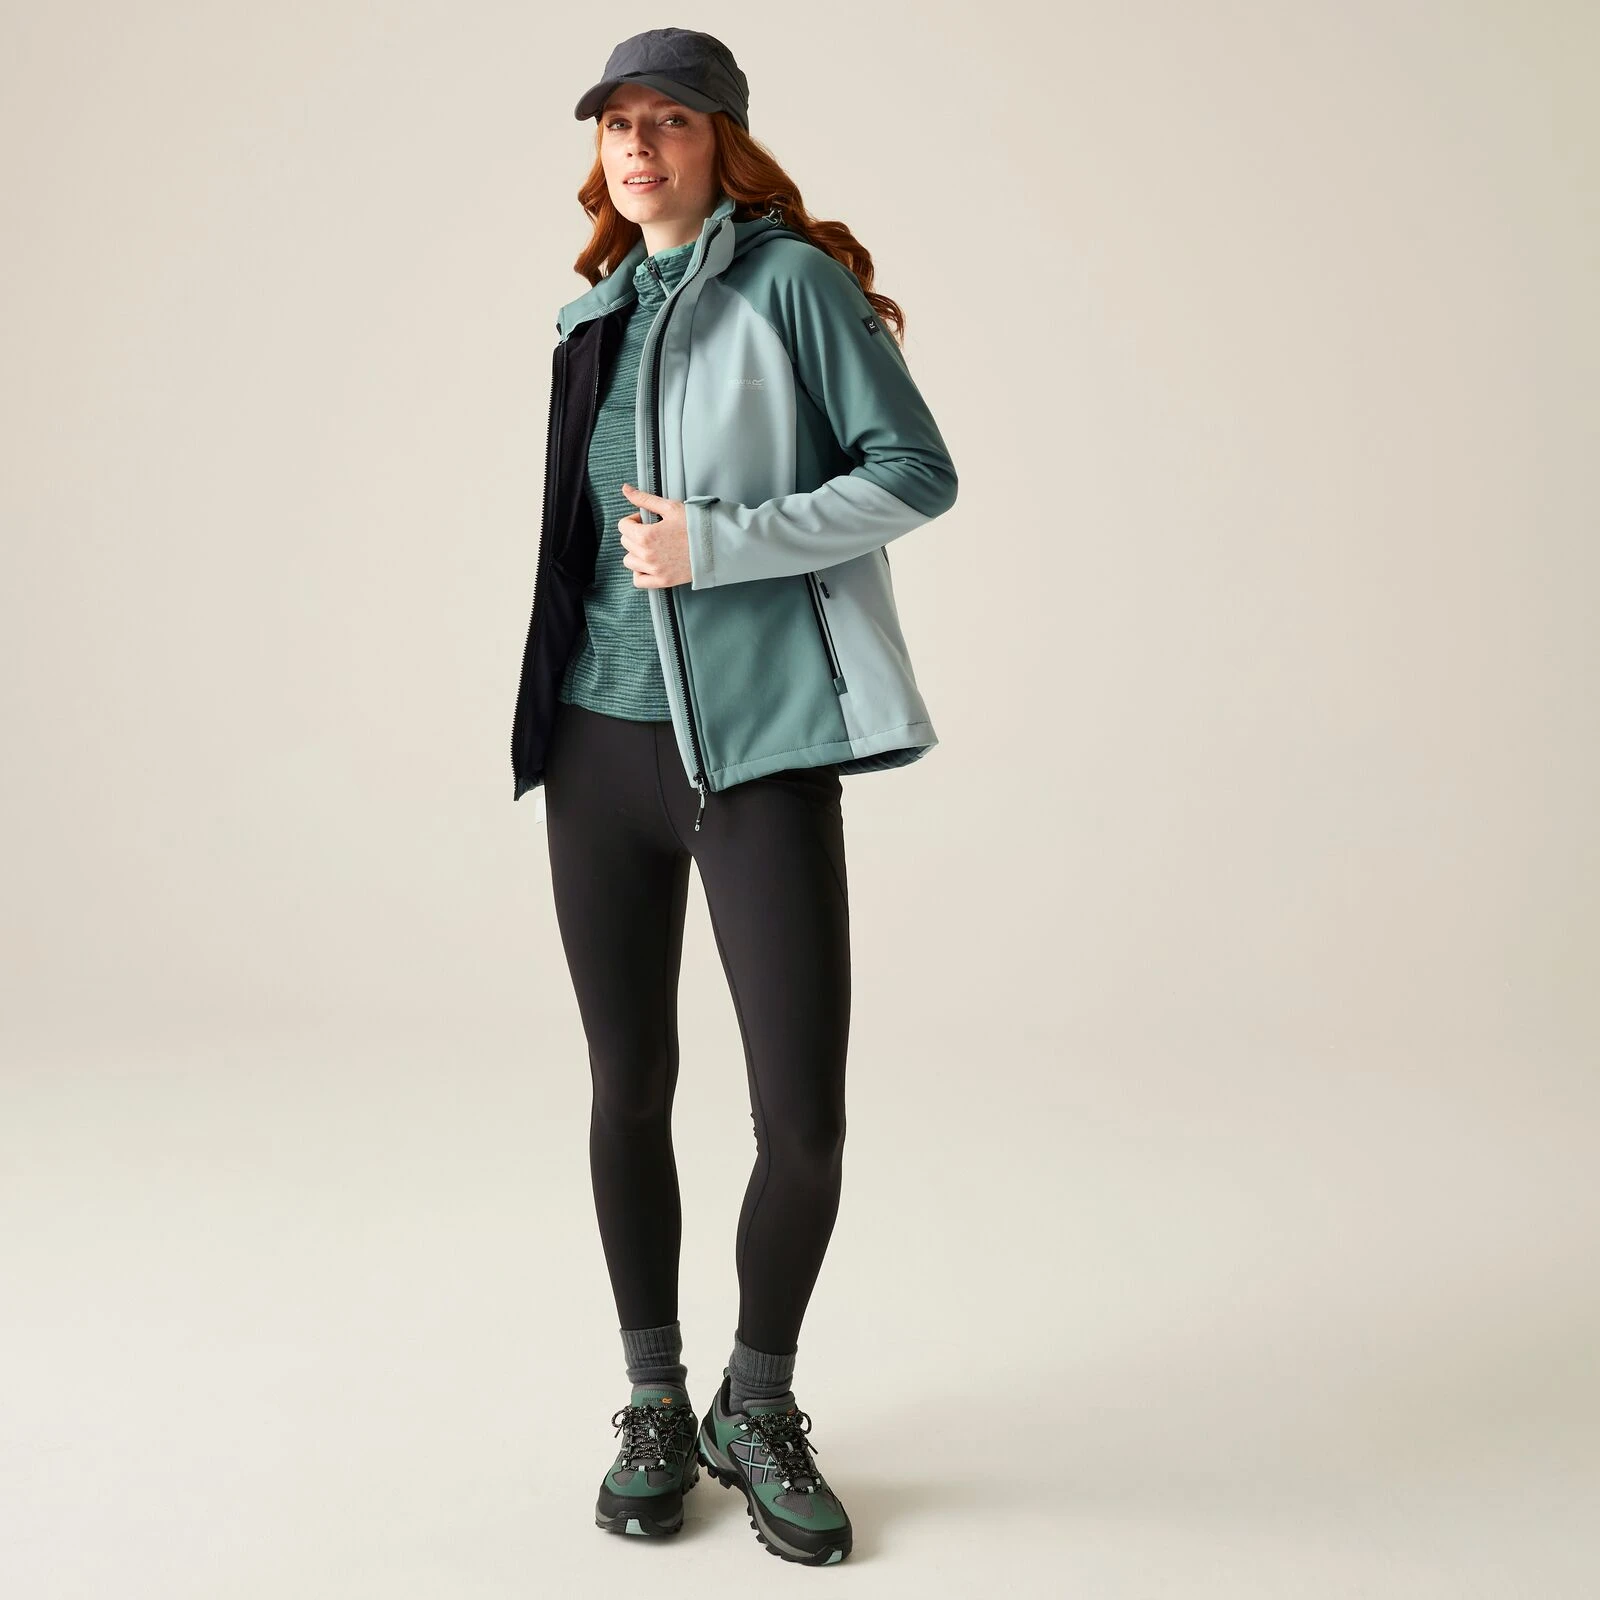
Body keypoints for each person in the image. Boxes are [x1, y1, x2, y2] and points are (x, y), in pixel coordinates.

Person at [508, 27, 958, 1566]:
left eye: (671, 123)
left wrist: (723, 542)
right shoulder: (589, 316)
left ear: (725, 142)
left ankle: (755, 1405)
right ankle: (654, 1398)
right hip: (596, 750)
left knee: (802, 1120)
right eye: (618, 126)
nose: (640, 149)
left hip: (753, 753)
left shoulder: (792, 287)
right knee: (627, 1085)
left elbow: (915, 471)